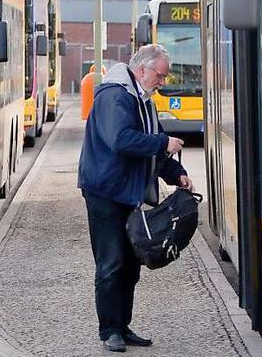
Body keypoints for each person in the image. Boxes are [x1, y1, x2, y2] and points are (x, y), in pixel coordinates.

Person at [77, 44, 191, 352]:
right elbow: (122, 139)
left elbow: (155, 145)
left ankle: (122, 326)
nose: (162, 82)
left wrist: (175, 173)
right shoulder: (116, 96)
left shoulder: (143, 100)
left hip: (130, 194)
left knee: (131, 264)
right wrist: (163, 142)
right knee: (111, 262)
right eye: (160, 75)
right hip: (106, 193)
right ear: (142, 70)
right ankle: (109, 330)